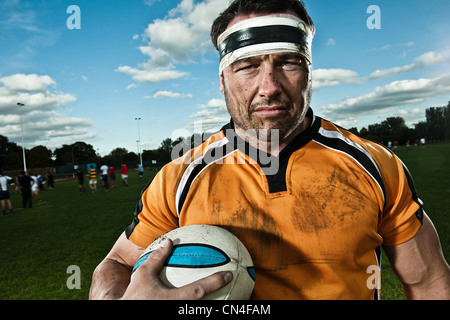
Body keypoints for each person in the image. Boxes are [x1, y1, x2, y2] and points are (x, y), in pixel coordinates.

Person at [90, 0, 450, 300]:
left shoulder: (375, 165)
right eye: (247, 67)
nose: (270, 87)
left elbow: (430, 282)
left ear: (309, 71)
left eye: (288, 63)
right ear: (221, 80)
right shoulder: (178, 178)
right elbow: (118, 264)